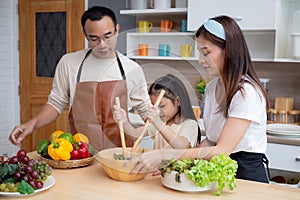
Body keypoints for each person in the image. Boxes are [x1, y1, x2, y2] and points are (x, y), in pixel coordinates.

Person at [127, 15, 270, 183]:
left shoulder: (246, 93)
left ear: (229, 50)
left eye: (206, 52)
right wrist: (175, 163)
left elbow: (221, 150)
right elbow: (210, 141)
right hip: (217, 171)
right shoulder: (211, 88)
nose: (200, 60)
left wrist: (166, 155)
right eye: (199, 52)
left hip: (246, 176)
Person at [9, 6, 150, 151]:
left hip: (120, 156)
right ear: (85, 34)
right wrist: (31, 124)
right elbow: (55, 103)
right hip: (81, 153)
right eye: (94, 38)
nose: (102, 45)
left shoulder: (132, 69)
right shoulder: (69, 63)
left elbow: (148, 115)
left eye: (107, 36)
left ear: (117, 29)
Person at [113, 74, 200, 150]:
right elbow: (135, 135)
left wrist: (158, 122)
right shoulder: (161, 122)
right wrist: (124, 122)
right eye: (154, 105)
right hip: (158, 169)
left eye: (162, 106)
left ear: (178, 101)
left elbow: (181, 146)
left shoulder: (190, 124)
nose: (158, 111)